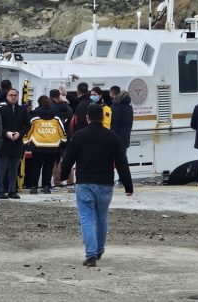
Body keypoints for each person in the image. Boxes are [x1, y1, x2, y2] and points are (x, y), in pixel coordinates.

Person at [61, 104, 133, 267]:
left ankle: (91, 255)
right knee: (101, 217)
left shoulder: (79, 136)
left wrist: (64, 177)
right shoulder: (112, 137)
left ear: (87, 118)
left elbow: (68, 159)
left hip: (85, 183)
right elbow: (122, 163)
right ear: (103, 117)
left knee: (86, 218)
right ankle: (99, 249)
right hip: (105, 184)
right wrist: (128, 186)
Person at [24, 95, 66, 194]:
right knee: (48, 167)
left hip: (38, 146)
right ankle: (46, 186)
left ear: (39, 103)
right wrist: (64, 142)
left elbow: (28, 130)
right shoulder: (56, 117)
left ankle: (34, 187)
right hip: (53, 146)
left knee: (36, 167)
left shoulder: (34, 116)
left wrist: (25, 142)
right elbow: (62, 131)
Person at [0, 88, 29, 199]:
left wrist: (20, 134)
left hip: (17, 143)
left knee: (14, 169)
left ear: (18, 96)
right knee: (1, 169)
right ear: (7, 96)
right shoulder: (1, 110)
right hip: (4, 143)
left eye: (15, 95)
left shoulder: (22, 110)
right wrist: (6, 133)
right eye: (11, 95)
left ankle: (12, 190)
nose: (13, 97)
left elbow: (28, 125)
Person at [50, 88, 73, 187]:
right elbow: (70, 114)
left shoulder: (49, 106)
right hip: (65, 134)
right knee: (67, 157)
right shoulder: (64, 106)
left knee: (55, 160)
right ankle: (70, 180)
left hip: (53, 135)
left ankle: (57, 182)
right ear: (59, 96)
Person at [110, 85, 134, 158]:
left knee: (116, 159)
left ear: (112, 93)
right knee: (123, 158)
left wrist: (110, 138)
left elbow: (114, 124)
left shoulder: (115, 107)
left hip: (117, 139)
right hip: (125, 138)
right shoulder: (129, 108)